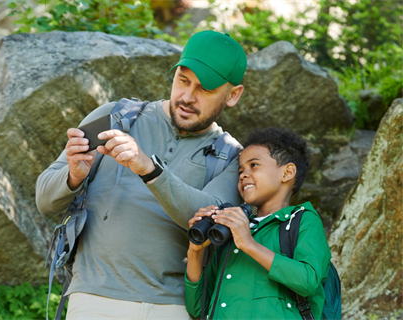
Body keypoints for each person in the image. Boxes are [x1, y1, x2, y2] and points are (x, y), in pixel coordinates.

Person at [35, 30, 247, 319]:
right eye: (183, 81)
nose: (187, 96)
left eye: (205, 89)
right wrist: (73, 176)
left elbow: (207, 219)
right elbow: (45, 202)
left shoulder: (234, 158)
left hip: (172, 307)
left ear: (233, 95)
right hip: (93, 296)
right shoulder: (116, 116)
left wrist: (149, 169)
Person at [185, 127, 331, 319]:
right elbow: (199, 308)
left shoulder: (302, 220)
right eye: (240, 171)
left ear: (287, 173)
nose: (243, 175)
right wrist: (196, 251)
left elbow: (308, 281)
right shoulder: (230, 232)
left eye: (254, 165)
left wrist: (249, 244)